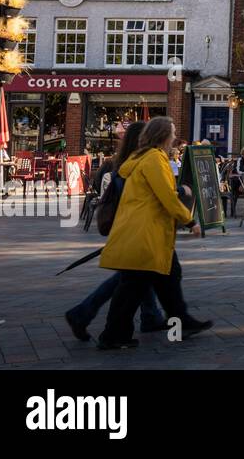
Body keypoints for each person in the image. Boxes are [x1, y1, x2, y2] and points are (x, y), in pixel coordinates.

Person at [95, 117, 213, 350]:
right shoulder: (154, 160)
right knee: (132, 287)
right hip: (145, 234)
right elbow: (167, 195)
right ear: (163, 136)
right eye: (172, 132)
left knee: (166, 279)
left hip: (148, 234)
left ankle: (181, 323)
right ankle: (112, 335)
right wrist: (190, 221)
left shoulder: (141, 158)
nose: (175, 137)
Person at [65, 123, 165, 342]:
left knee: (139, 273)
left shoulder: (123, 164)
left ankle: (151, 315)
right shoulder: (136, 166)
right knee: (130, 276)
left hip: (127, 229)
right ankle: (82, 313)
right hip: (134, 231)